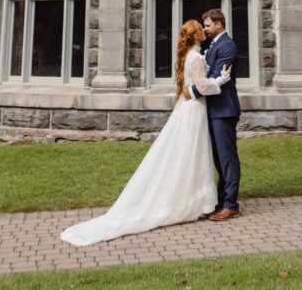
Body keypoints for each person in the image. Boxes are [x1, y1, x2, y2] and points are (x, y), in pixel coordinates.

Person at [61, 19, 231, 247]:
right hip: (194, 110)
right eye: (201, 29)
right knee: (192, 153)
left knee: (187, 152)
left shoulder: (188, 55)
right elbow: (201, 87)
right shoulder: (197, 58)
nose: (204, 29)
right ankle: (190, 200)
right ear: (197, 36)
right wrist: (221, 79)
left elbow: (192, 86)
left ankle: (191, 198)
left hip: (188, 108)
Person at [183, 8, 241, 221]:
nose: (205, 29)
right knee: (218, 158)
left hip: (224, 110)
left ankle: (231, 204)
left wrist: (191, 92)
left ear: (218, 24)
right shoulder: (213, 45)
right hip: (212, 109)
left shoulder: (227, 46)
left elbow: (216, 76)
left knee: (227, 159)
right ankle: (221, 199)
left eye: (207, 25)